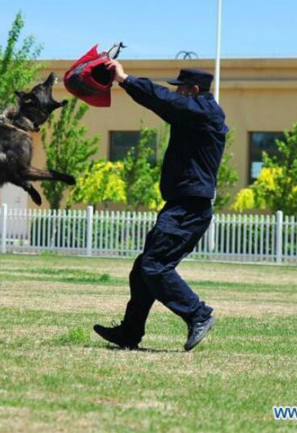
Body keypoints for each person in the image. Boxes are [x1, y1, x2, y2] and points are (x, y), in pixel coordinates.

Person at [94, 62, 228, 351]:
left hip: (189, 209)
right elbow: (165, 103)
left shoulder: (204, 113)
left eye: (180, 88)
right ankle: (129, 333)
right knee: (143, 267)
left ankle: (198, 314)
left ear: (193, 90)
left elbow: (163, 100)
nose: (176, 92)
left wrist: (125, 80)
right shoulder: (195, 115)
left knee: (155, 267)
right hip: (181, 206)